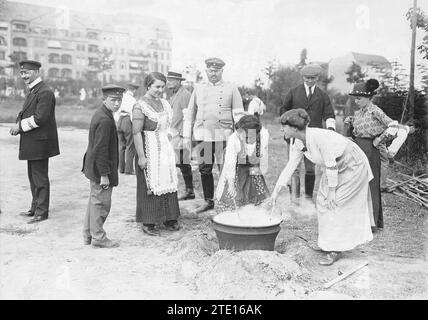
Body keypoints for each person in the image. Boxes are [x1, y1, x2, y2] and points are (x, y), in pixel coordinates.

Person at [271, 109, 373, 265]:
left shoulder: (319, 137)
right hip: (334, 167)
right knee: (322, 202)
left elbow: (331, 165)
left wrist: (332, 191)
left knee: (335, 203)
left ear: (294, 127)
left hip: (352, 164)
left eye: (284, 126)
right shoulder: (298, 142)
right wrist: (276, 191)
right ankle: (328, 244)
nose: (281, 129)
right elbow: (290, 166)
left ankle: (336, 249)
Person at [183, 57, 245, 213]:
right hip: (203, 134)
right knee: (205, 169)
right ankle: (208, 201)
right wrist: (186, 136)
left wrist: (241, 137)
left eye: (217, 70)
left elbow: (238, 114)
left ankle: (228, 202)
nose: (214, 73)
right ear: (206, 71)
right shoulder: (198, 88)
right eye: (211, 70)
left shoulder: (231, 88)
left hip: (223, 135)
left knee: (226, 168)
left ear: (222, 71)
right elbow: (190, 113)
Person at [345, 79, 400, 231]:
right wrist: (350, 123)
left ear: (369, 97)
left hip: (371, 150)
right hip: (358, 149)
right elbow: (356, 130)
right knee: (358, 183)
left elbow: (394, 125)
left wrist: (379, 139)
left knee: (371, 184)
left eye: (359, 98)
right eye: (355, 98)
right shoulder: (358, 112)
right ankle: (360, 221)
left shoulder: (375, 110)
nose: (356, 101)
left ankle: (372, 222)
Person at [9, 60, 60, 224]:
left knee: (40, 177)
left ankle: (41, 211)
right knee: (33, 177)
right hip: (34, 142)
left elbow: (40, 118)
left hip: (40, 142)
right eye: (22, 73)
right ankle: (35, 207)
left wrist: (20, 127)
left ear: (37, 72)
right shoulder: (34, 91)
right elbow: (28, 113)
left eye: (27, 73)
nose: (23, 76)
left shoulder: (44, 92)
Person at [132, 72, 180, 236]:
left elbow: (168, 127)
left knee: (168, 179)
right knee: (150, 183)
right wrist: (141, 156)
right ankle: (149, 222)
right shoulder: (140, 106)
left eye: (162, 86)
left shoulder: (165, 103)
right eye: (157, 86)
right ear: (148, 86)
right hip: (148, 147)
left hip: (164, 147)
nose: (160, 90)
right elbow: (136, 133)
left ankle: (169, 218)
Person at [282, 64, 336, 201]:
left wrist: (330, 131)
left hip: (313, 138)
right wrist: (288, 128)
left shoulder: (323, 95)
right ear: (303, 77)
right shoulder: (293, 92)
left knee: (310, 169)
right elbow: (283, 111)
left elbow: (329, 115)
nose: (310, 81)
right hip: (295, 136)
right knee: (294, 168)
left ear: (317, 78)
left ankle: (307, 199)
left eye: (313, 78)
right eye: (307, 78)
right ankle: (294, 198)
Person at [82, 84, 125, 248]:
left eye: (119, 100)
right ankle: (99, 238)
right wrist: (104, 175)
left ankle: (88, 235)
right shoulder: (105, 119)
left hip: (93, 167)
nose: (116, 104)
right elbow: (101, 150)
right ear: (104, 99)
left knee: (94, 202)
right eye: (113, 100)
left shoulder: (102, 113)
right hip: (100, 169)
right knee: (101, 204)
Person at [215, 115, 270, 211]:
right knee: (235, 192)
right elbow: (230, 162)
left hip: (254, 166)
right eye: (243, 136)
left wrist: (261, 173)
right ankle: (235, 213)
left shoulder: (263, 135)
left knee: (257, 190)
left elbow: (263, 157)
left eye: (248, 137)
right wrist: (231, 184)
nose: (244, 138)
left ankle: (254, 211)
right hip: (237, 168)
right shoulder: (234, 139)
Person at [166, 71, 194, 201]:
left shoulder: (185, 95)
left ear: (178, 81)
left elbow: (188, 117)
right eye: (168, 80)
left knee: (183, 162)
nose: (168, 83)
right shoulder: (173, 95)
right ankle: (181, 189)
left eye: (171, 80)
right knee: (178, 162)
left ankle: (189, 190)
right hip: (173, 133)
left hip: (181, 134)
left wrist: (184, 136)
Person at [116, 83, 139, 175]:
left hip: (119, 120)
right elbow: (133, 114)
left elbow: (116, 111)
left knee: (121, 146)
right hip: (127, 120)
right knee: (130, 145)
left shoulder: (121, 97)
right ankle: (128, 169)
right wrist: (134, 124)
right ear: (134, 90)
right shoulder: (133, 100)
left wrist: (118, 121)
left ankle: (121, 168)